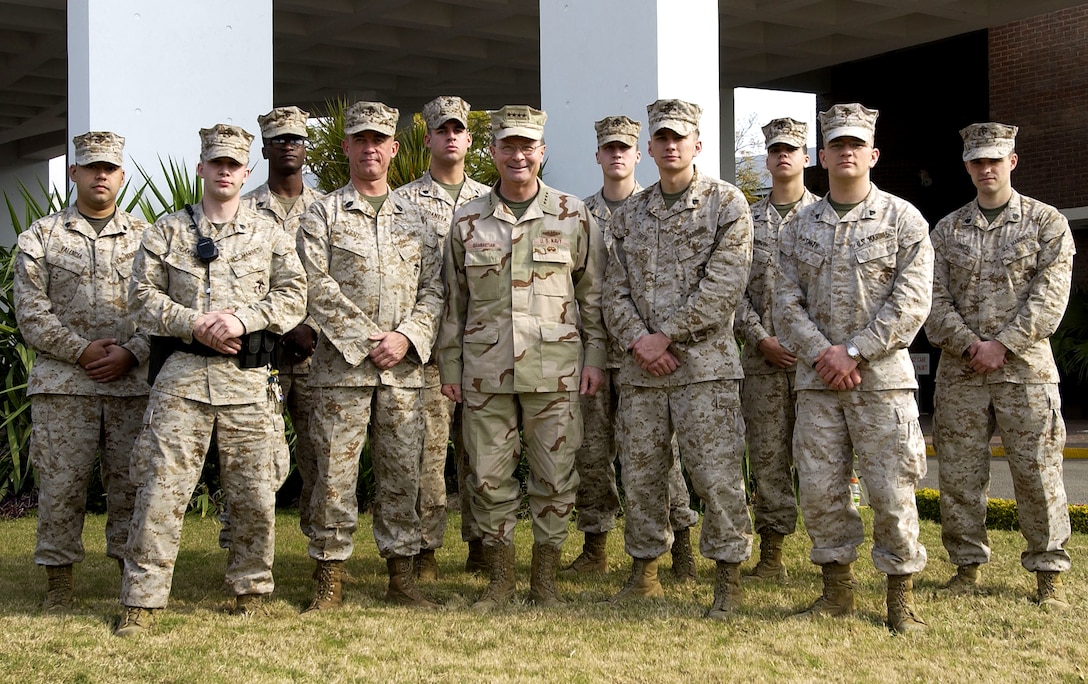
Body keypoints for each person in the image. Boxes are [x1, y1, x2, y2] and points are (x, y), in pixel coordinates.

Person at [116, 124, 307, 636]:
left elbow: (294, 297)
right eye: (215, 162)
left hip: (247, 380)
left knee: (254, 490)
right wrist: (193, 323)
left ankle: (252, 590)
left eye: (234, 165)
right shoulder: (167, 231)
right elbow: (140, 296)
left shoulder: (269, 234)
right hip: (181, 378)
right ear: (201, 168)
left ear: (247, 173)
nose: (224, 171)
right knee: (161, 489)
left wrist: (243, 319)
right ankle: (142, 601)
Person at [437, 105, 607, 608]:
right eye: (508, 146)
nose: (518, 155)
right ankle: (500, 582)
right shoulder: (467, 220)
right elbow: (453, 301)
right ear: (492, 152)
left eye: (527, 146)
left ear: (542, 151)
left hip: (554, 372)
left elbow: (592, 294)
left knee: (555, 476)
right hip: (485, 372)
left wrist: (594, 359)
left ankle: (545, 583)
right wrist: (450, 366)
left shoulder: (573, 215)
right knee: (488, 478)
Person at [774, 103, 933, 634]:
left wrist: (856, 351)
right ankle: (836, 593)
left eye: (855, 144)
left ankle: (899, 598)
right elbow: (784, 300)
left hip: (882, 382)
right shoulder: (797, 227)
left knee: (892, 491)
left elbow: (912, 301)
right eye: (837, 145)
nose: (846, 152)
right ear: (821, 156)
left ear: (873, 154)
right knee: (820, 492)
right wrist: (825, 353)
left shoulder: (903, 219)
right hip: (818, 383)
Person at [603, 99, 753, 619]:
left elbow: (726, 285)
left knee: (715, 477)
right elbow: (612, 291)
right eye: (662, 138)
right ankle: (645, 573)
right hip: (643, 372)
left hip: (703, 371)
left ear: (697, 145)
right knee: (642, 475)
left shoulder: (726, 203)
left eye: (680, 137)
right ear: (650, 147)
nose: (670, 145)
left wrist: (664, 336)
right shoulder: (631, 214)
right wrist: (639, 342)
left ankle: (727, 580)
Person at [297, 101, 443, 611]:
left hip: (404, 371)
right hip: (342, 373)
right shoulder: (323, 212)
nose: (370, 148)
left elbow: (436, 288)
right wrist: (367, 340)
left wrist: (405, 337)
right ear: (346, 147)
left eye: (379, 139)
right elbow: (315, 284)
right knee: (334, 476)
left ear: (395, 148)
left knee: (402, 473)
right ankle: (329, 578)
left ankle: (401, 576)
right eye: (360, 139)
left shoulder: (417, 216)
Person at [926, 122, 1074, 609]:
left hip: (1026, 371)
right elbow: (933, 301)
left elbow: (1050, 298)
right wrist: (972, 346)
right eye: (977, 161)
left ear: (1012, 161)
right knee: (960, 474)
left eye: (995, 159)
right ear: (967, 166)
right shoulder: (947, 229)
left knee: (1037, 472)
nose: (986, 168)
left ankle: (1047, 572)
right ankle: (966, 566)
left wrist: (1002, 345)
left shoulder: (1046, 222)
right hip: (961, 373)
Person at [14, 131, 150, 611]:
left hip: (129, 385)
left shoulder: (147, 238)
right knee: (59, 486)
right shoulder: (42, 236)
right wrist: (81, 351)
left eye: (109, 168)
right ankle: (59, 587)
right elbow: (30, 312)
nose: (100, 176)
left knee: (132, 486)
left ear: (121, 176)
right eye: (91, 167)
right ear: (74, 173)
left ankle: (129, 580)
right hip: (63, 387)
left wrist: (132, 352)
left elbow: (162, 305)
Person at [564, 115, 700, 580]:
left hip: (648, 356)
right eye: (609, 148)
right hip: (595, 354)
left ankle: (681, 545)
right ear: (598, 156)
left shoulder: (651, 209)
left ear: (636, 155)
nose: (617, 155)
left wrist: (654, 343)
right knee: (593, 451)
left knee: (663, 455)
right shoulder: (576, 215)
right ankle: (595, 546)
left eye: (625, 147)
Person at [392, 96, 490, 579]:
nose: (450, 137)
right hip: (428, 349)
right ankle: (427, 548)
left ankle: (481, 544)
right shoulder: (403, 204)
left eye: (458, 130)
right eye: (442, 130)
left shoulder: (492, 201)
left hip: (484, 347)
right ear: (427, 139)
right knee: (429, 452)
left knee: (481, 451)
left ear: (469, 140)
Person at [734, 117, 817, 582]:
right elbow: (732, 290)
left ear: (806, 158)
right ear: (766, 159)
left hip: (815, 366)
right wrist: (760, 338)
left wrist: (808, 344)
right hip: (762, 363)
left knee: (825, 461)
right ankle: (772, 556)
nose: (783, 156)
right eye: (776, 150)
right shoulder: (744, 219)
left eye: (792, 149)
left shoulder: (826, 216)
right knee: (767, 460)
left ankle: (832, 556)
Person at [239, 105, 324, 543]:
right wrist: (279, 326)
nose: (288, 145)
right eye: (279, 139)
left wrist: (310, 326)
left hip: (317, 353)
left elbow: (340, 280)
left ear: (305, 148)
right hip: (262, 351)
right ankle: (246, 548)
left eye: (296, 139)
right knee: (254, 457)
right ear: (266, 148)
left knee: (320, 458)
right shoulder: (243, 208)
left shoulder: (328, 209)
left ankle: (320, 550)